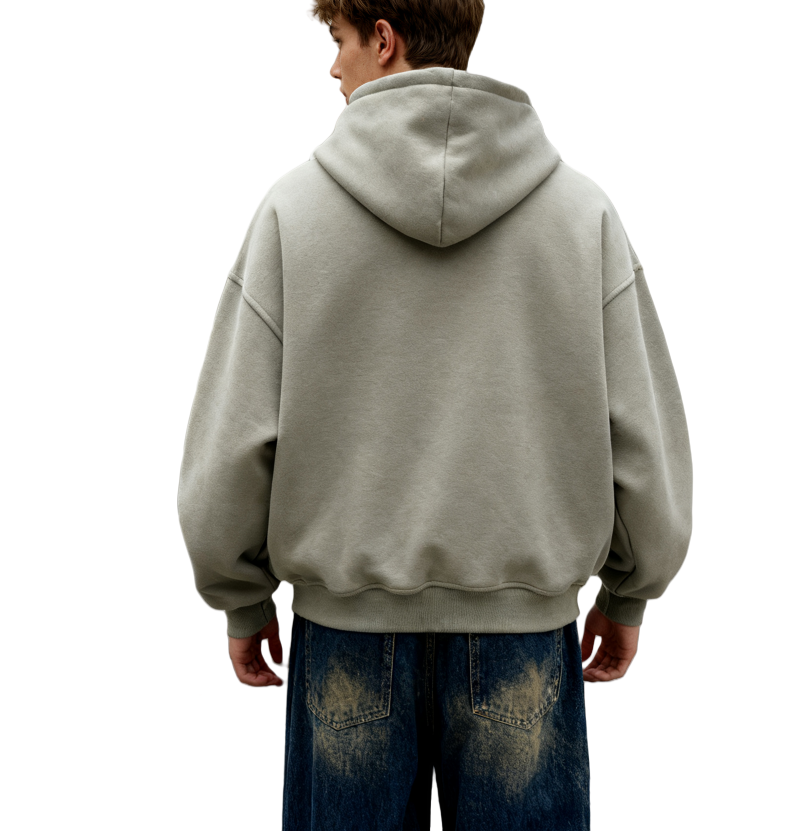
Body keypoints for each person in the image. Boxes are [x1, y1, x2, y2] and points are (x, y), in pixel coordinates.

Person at [176, 1, 693, 828]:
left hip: (345, 634)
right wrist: (631, 589)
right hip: (522, 636)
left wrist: (239, 593)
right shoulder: (581, 215)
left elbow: (233, 440)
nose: (333, 66)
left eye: (339, 41)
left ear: (384, 39)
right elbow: (640, 430)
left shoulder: (291, 214)